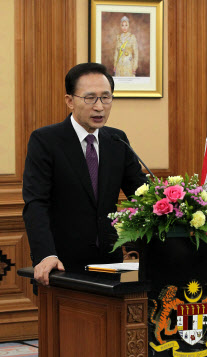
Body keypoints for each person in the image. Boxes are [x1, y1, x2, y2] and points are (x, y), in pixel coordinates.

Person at [23, 62, 147, 286]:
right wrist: (45, 254)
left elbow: (142, 196)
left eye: (106, 97)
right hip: (61, 265)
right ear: (70, 100)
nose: (99, 107)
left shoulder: (117, 140)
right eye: (90, 98)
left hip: (111, 264)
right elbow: (36, 203)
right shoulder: (45, 141)